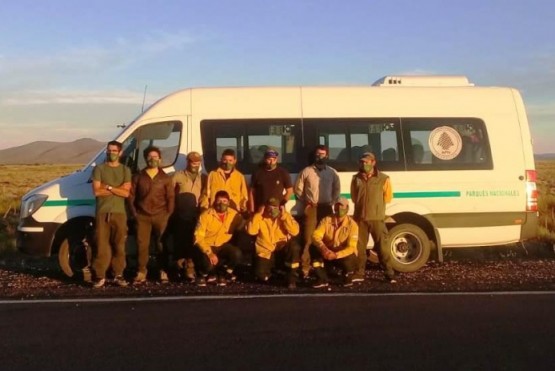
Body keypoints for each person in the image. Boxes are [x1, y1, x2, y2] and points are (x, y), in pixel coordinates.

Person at [128, 146, 175, 284]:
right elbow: (131, 197)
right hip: (142, 216)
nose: (153, 159)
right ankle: (142, 271)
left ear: (160, 159)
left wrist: (168, 214)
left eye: (155, 156)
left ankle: (163, 270)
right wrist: (134, 214)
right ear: (146, 159)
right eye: (150, 156)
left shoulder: (165, 178)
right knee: (142, 245)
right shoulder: (138, 177)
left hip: (161, 215)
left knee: (161, 244)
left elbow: (171, 197)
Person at [294, 145, 340, 278]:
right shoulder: (306, 171)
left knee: (327, 237)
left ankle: (325, 264)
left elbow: (337, 188)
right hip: (311, 207)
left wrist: (332, 201)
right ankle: (305, 267)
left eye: (323, 154)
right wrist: (306, 201)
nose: (321, 156)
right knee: (308, 237)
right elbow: (298, 189)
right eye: (318, 154)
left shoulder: (332, 172)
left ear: (327, 156)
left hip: (326, 208)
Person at [91, 140, 132, 288]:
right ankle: (99, 276)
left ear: (120, 153)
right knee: (101, 244)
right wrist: (116, 189)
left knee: (119, 245)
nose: (111, 153)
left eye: (114, 151)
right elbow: (96, 191)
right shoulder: (99, 169)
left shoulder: (125, 170)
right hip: (102, 212)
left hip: (120, 213)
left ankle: (118, 274)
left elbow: (126, 193)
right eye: (109, 150)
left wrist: (107, 186)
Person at [350, 152, 395, 283]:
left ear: (373, 162)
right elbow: (354, 197)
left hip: (377, 219)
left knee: (382, 247)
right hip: (360, 219)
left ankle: (389, 273)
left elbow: (388, 197)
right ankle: (359, 273)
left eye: (367, 162)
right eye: (362, 162)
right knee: (359, 248)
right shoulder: (355, 178)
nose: (364, 164)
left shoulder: (384, 178)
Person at [246, 197, 301, 289]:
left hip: (281, 250)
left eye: (275, 207)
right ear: (265, 207)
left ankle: (291, 279)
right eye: (270, 207)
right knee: (259, 274)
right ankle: (273, 275)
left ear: (280, 207)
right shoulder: (260, 217)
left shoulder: (285, 216)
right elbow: (251, 231)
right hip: (266, 251)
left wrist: (284, 216)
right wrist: (258, 214)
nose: (272, 210)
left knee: (294, 247)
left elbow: (295, 232)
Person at [194, 190, 244, 286]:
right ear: (214, 202)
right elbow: (198, 237)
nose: (222, 204)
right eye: (219, 201)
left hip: (222, 245)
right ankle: (203, 273)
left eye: (224, 201)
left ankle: (224, 273)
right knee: (207, 265)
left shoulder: (234, 215)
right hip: (207, 246)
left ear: (228, 203)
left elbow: (246, 226)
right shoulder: (205, 215)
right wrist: (209, 253)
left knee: (237, 254)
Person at [171, 151, 207, 281]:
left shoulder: (204, 177)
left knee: (194, 243)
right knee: (181, 243)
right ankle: (179, 268)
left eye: (197, 162)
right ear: (187, 162)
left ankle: (191, 268)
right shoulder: (178, 175)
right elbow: (169, 194)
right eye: (192, 161)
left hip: (197, 215)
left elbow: (206, 195)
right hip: (181, 215)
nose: (195, 164)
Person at [310, 197, 359, 288]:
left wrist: (336, 255)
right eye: (337, 206)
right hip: (327, 251)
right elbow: (316, 235)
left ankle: (347, 277)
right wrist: (323, 248)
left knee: (351, 256)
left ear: (347, 208)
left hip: (341, 254)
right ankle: (322, 278)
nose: (339, 209)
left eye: (342, 206)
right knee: (313, 248)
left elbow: (351, 247)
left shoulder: (353, 225)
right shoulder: (326, 220)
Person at [200, 149, 248, 213]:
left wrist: (243, 209)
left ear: (235, 161)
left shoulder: (240, 177)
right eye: (225, 160)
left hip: (233, 213)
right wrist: (204, 208)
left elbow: (243, 196)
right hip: (215, 212)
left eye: (230, 160)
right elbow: (206, 194)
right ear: (221, 160)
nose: (227, 162)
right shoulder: (212, 174)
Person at [248, 148, 293, 213]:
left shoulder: (283, 173)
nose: (271, 162)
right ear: (265, 159)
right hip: (261, 210)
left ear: (276, 159)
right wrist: (252, 209)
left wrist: (282, 204)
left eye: (274, 159)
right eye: (269, 159)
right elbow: (251, 193)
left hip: (276, 210)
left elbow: (290, 191)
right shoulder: (257, 173)